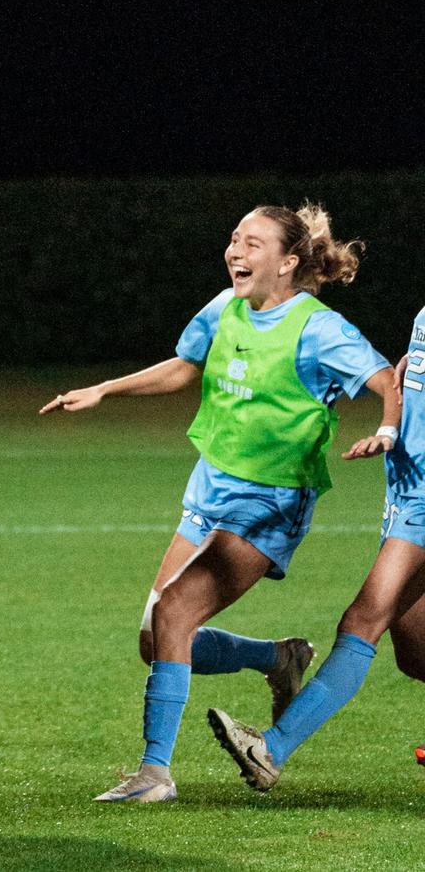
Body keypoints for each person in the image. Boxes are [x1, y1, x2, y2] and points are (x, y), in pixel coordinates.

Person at [41, 203, 399, 802]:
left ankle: (154, 775)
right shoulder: (225, 307)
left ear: (287, 263)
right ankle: (277, 658)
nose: (236, 251)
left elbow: (386, 380)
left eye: (253, 243)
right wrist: (104, 389)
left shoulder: (320, 330)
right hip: (210, 486)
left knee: (176, 609)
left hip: (271, 502)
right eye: (234, 239)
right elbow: (185, 367)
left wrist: (386, 430)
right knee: (154, 637)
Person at [208, 301, 425, 791]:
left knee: (364, 619)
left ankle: (270, 749)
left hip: (424, 500)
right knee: (415, 653)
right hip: (406, 487)